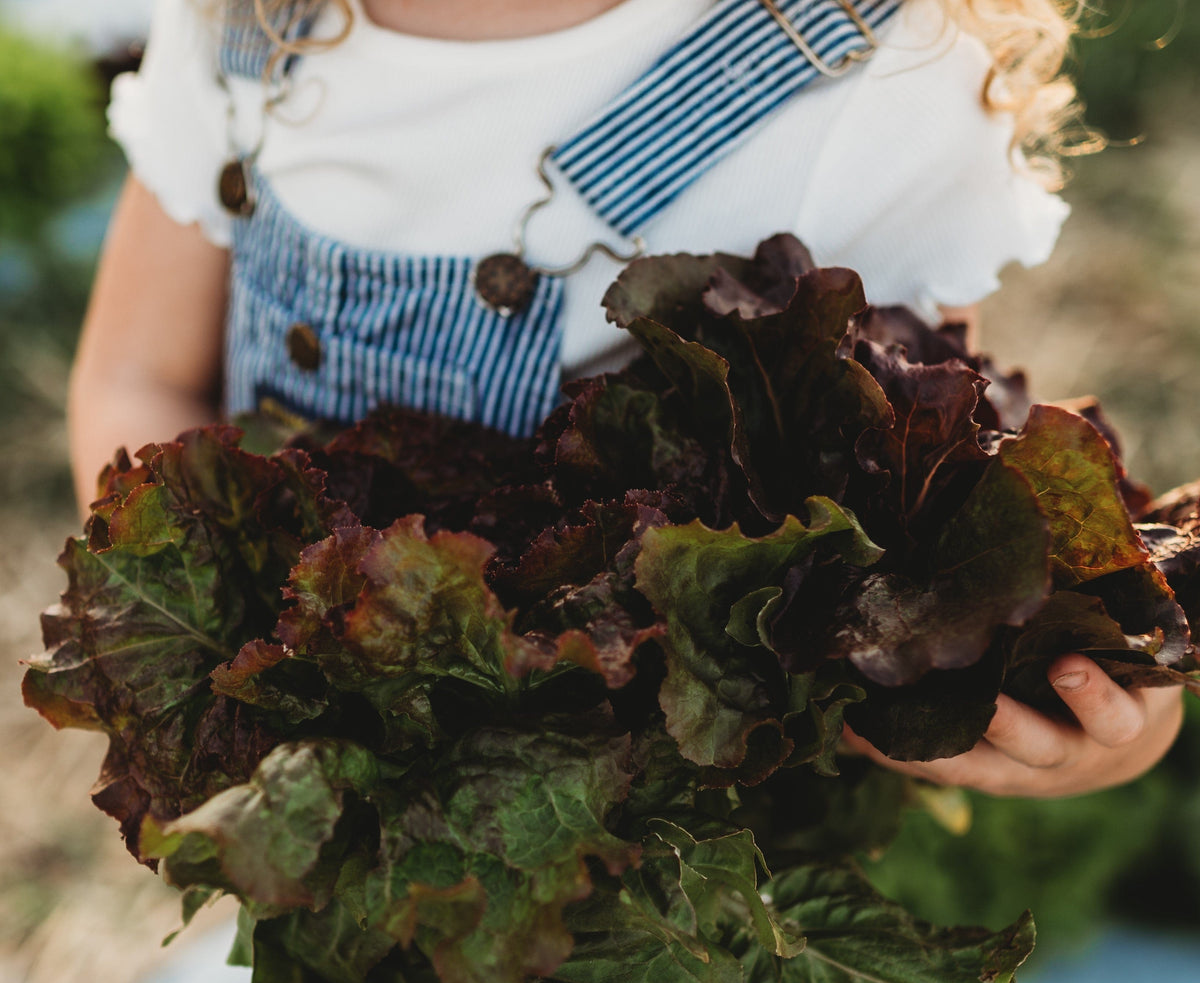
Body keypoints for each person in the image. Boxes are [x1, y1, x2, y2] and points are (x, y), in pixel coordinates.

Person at [69, 0, 1182, 807]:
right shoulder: (245, 26)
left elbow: (934, 509)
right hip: (323, 801)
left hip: (687, 867)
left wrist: (1099, 718)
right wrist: (207, 669)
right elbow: (138, 378)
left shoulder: (869, 80)